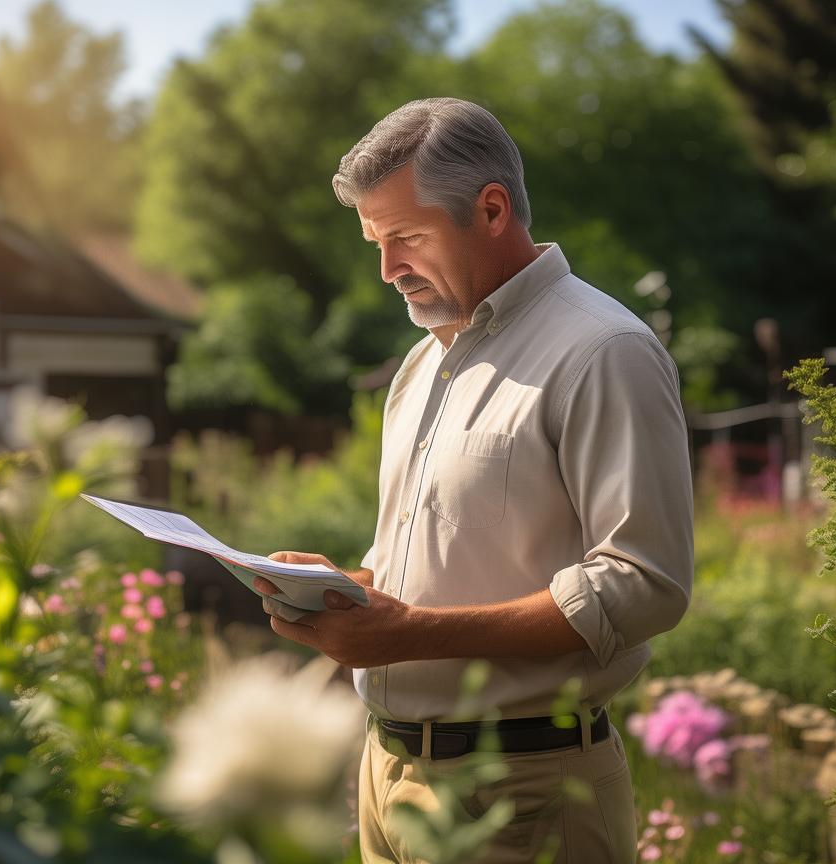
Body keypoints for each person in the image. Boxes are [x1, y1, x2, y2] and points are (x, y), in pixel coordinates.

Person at [254, 97, 693, 863]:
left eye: (406, 238)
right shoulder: (421, 365)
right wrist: (343, 594)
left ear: (491, 210)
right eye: (376, 243)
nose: (388, 270)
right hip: (387, 776)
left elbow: (645, 583)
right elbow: (428, 570)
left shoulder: (604, 350)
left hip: (522, 793)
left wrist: (408, 634)